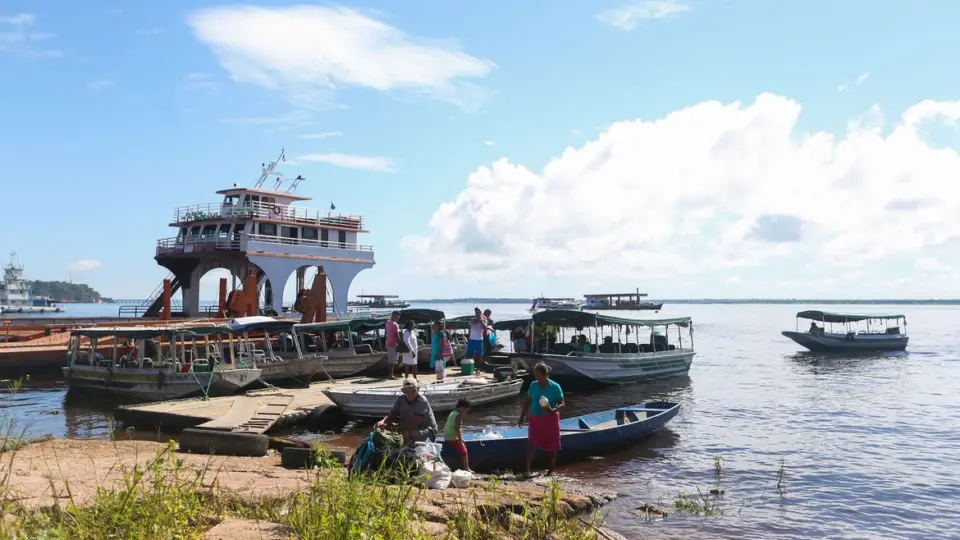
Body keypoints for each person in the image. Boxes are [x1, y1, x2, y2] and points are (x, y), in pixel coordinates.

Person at [518, 362, 564, 477]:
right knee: (531, 443)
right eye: (535, 375)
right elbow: (527, 401)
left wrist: (554, 409)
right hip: (535, 418)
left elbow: (562, 403)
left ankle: (550, 472)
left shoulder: (554, 386)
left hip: (550, 419)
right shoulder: (534, 385)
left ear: (545, 375)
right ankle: (527, 471)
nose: (536, 377)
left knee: (552, 447)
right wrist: (522, 417)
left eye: (538, 375)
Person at [376, 378, 438, 445]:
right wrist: (383, 422)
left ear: (418, 389)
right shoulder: (400, 399)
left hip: (428, 431)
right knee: (380, 429)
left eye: (413, 391)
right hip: (408, 427)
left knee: (404, 434)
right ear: (403, 391)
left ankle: (406, 450)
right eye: (407, 391)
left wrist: (393, 428)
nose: (410, 394)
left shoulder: (422, 401)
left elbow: (413, 423)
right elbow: (392, 415)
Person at [443, 397, 472, 472]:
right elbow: (457, 429)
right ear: (462, 408)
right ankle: (466, 468)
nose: (467, 412)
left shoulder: (453, 412)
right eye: (467, 410)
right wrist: (460, 441)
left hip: (447, 437)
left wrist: (460, 438)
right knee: (464, 450)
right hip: (452, 438)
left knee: (461, 445)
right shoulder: (458, 415)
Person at [385, 311, 401, 379]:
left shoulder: (388, 322)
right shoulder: (395, 324)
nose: (399, 318)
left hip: (388, 342)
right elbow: (397, 335)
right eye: (398, 316)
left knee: (391, 359)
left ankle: (391, 374)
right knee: (393, 360)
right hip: (393, 344)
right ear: (395, 316)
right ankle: (390, 375)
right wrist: (401, 343)